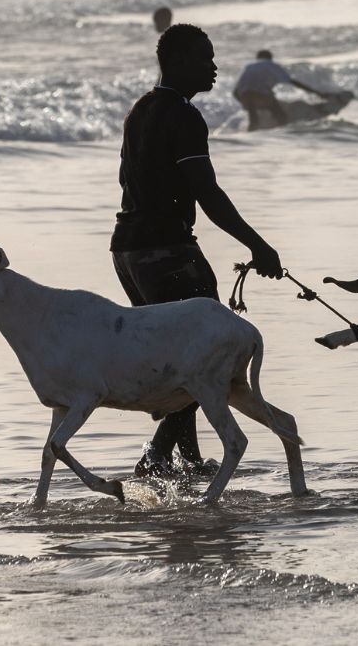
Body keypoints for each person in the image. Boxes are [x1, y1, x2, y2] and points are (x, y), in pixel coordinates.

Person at [111, 24, 281, 476]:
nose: (214, 66)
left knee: (175, 356)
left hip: (128, 253)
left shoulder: (141, 109)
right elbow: (208, 195)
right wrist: (259, 246)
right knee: (199, 357)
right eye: (205, 58)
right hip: (168, 253)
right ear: (181, 61)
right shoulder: (184, 116)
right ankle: (156, 456)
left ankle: (186, 462)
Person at [232, 49, 335, 130]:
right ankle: (282, 134)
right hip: (261, 95)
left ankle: (249, 139)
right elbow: (292, 82)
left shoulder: (249, 67)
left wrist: (244, 103)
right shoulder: (272, 65)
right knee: (280, 115)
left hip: (244, 96)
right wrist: (318, 93)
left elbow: (235, 92)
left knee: (253, 120)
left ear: (257, 58)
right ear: (270, 58)